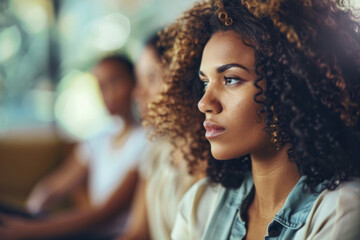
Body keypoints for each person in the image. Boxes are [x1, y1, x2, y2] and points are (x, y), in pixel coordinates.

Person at [146, 0, 360, 239]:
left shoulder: (341, 210)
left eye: (231, 79)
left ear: (288, 86)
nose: (204, 103)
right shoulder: (200, 204)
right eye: (205, 82)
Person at [0, 55, 148, 240]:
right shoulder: (100, 138)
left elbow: (105, 212)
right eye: (100, 86)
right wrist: (31, 215)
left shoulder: (145, 141)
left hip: (106, 233)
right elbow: (53, 187)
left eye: (114, 81)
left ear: (134, 83)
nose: (106, 92)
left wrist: (30, 230)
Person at [118, 33, 202, 240]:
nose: (139, 93)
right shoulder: (157, 151)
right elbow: (137, 232)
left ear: (183, 80)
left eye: (152, 78)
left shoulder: (211, 160)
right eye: (139, 81)